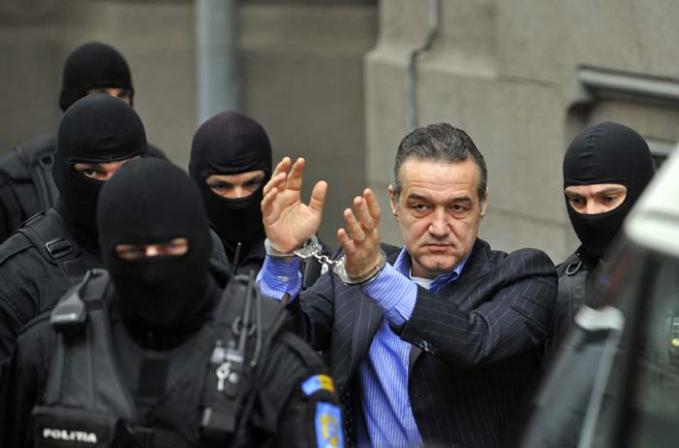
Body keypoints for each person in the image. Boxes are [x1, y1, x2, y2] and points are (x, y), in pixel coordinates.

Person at [1, 158, 343, 448]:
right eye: (133, 252)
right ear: (106, 252)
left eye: (170, 249)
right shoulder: (50, 351)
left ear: (200, 244)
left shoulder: (273, 363)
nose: (152, 269)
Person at [257, 123, 557, 447]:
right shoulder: (350, 275)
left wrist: (376, 277)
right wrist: (281, 257)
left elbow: (475, 342)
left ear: (482, 203)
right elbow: (280, 341)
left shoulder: (524, 275)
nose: (439, 227)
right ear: (394, 202)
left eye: (457, 207)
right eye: (421, 206)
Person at [0, 94, 209, 366]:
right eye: (92, 172)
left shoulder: (192, 246)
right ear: (62, 172)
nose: (112, 188)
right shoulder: (19, 276)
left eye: (125, 169)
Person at [0, 41, 165, 242]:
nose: (112, 104)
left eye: (122, 95)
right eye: (101, 94)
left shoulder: (155, 165)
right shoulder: (17, 177)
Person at [189, 111, 325, 284]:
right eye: (222, 186)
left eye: (251, 183)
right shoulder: (178, 253)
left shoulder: (306, 252)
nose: (239, 197)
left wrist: (286, 254)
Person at [551, 121, 655, 348]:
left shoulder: (667, 277)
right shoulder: (558, 291)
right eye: (578, 200)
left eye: (608, 198)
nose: (591, 213)